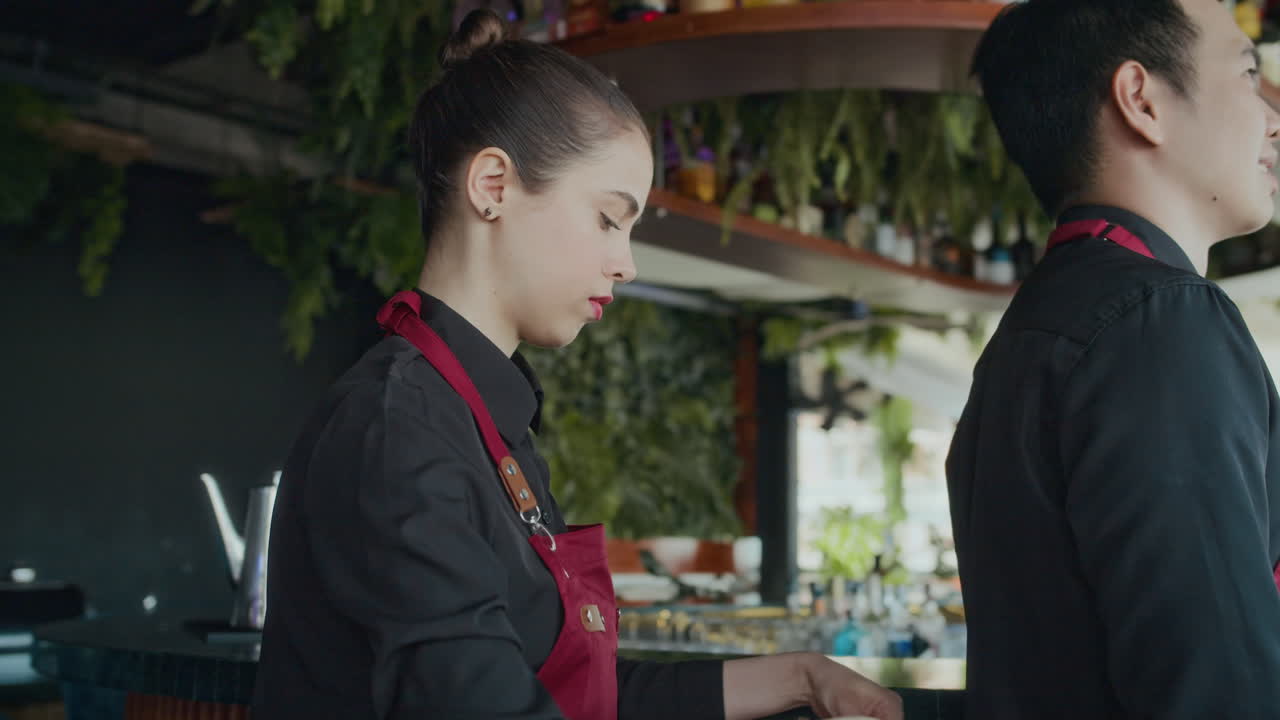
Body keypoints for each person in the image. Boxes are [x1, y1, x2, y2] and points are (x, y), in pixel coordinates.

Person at [250, 10, 903, 720]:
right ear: (493, 185)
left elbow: (577, 693)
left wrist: (802, 677)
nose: (624, 263)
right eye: (607, 219)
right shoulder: (397, 428)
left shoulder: (488, 428)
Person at [947, 0, 1280, 717]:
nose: (1273, 117)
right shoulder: (1161, 323)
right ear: (1142, 100)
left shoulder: (1034, 332)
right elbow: (1220, 690)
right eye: (1250, 75)